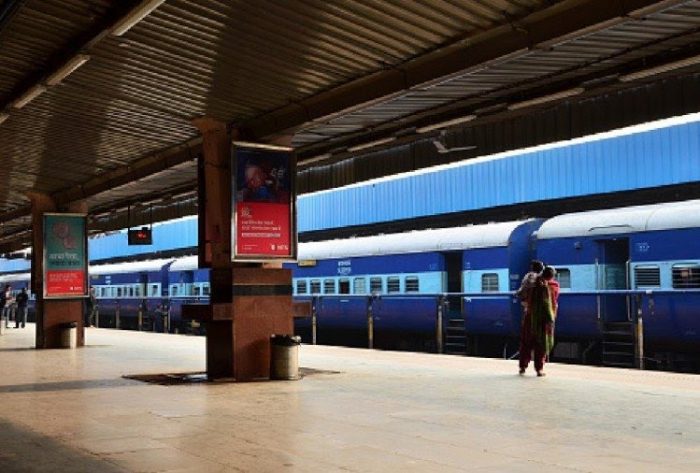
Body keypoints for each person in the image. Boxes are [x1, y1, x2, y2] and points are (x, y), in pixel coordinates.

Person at [518, 265, 557, 376]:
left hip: (529, 317)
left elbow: (522, 296)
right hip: (542, 321)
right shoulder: (551, 286)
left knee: (526, 343)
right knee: (541, 345)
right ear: (551, 276)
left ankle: (522, 367)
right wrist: (551, 319)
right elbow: (549, 305)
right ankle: (539, 369)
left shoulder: (530, 283)